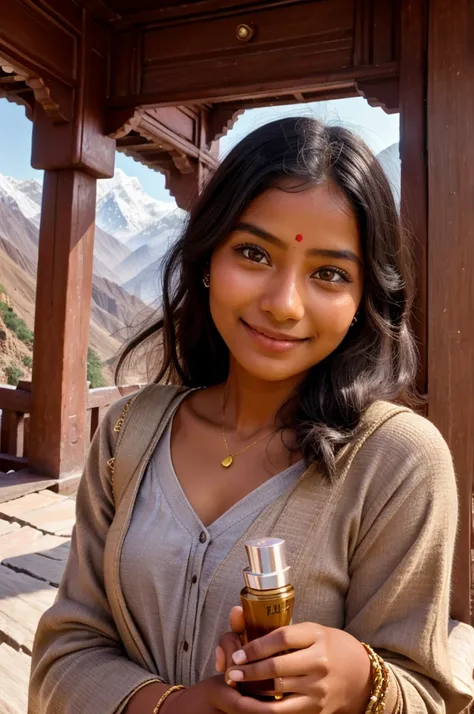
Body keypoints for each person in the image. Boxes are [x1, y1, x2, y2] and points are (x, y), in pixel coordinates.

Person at [28, 117, 474, 714]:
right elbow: (66, 652)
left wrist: (361, 683)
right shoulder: (128, 433)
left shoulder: (397, 463)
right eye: (253, 253)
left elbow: (425, 696)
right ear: (208, 256)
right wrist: (172, 708)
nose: (283, 304)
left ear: (364, 298)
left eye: (329, 273)